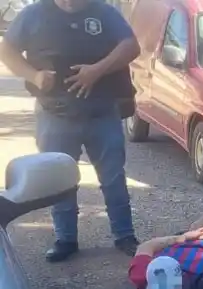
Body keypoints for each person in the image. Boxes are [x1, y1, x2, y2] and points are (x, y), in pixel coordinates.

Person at [0, 0, 141, 261]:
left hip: (102, 114)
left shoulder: (104, 11)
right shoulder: (34, 14)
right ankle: (65, 239)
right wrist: (34, 76)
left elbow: (131, 46)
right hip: (55, 115)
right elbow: (7, 49)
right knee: (59, 180)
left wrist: (96, 71)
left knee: (113, 178)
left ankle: (125, 235)